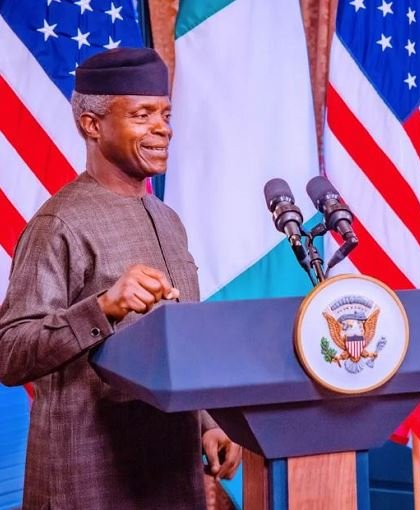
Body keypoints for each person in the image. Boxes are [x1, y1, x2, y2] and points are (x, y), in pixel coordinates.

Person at [0, 48, 241, 509]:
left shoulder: (168, 220)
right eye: (142, 114)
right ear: (93, 125)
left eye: (165, 114)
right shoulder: (59, 223)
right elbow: (9, 354)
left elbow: (178, 349)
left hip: (171, 477)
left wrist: (209, 423)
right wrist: (103, 307)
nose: (163, 128)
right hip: (86, 480)